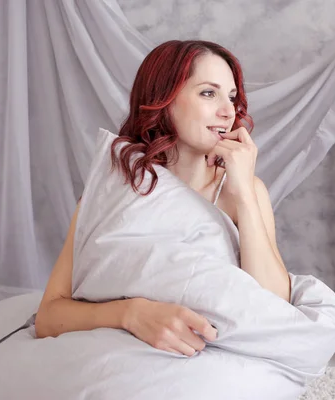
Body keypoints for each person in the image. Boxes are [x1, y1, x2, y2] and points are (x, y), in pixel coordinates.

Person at [34, 40, 291, 358]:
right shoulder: (113, 192)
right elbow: (49, 317)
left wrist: (245, 196)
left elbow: (278, 313)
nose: (228, 112)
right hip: (123, 351)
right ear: (163, 100)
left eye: (232, 97)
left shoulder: (246, 192)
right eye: (208, 93)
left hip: (213, 358)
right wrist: (132, 313)